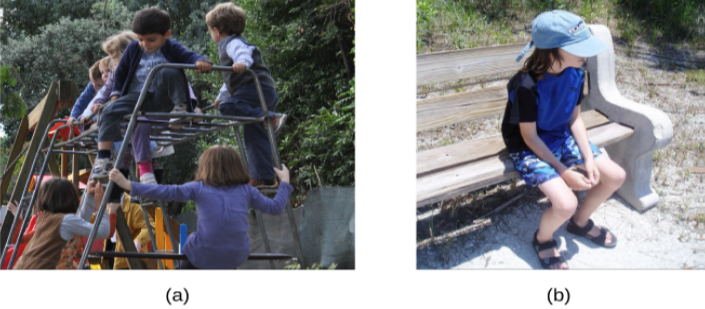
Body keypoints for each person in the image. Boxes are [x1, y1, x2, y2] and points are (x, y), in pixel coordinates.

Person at [502, 10, 626, 269]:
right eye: (578, 48)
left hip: (560, 135)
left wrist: (589, 158)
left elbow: (574, 120)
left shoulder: (575, 73)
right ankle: (542, 238)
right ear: (551, 51)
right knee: (565, 203)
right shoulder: (525, 85)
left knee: (614, 175)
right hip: (529, 147)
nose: (586, 54)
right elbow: (530, 137)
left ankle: (579, 223)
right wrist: (565, 172)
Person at [109, 145, 293, 269]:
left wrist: (130, 185)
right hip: (236, 254)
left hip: (204, 253)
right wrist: (284, 182)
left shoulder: (199, 188)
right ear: (237, 166)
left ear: (205, 167)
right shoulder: (246, 190)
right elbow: (276, 208)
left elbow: (167, 191)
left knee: (190, 254)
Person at [90, 7, 212, 185]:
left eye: (151, 40)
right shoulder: (133, 49)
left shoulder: (171, 47)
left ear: (166, 34)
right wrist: (116, 94)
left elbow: (188, 55)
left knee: (168, 71)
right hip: (137, 97)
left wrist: (200, 61)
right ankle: (103, 158)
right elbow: (121, 72)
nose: (145, 44)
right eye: (140, 39)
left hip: (161, 97)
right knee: (107, 111)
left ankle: (181, 109)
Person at [206, 3, 286, 188]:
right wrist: (221, 96)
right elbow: (230, 81)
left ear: (217, 31)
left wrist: (242, 62)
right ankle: (264, 176)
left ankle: (271, 118)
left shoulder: (233, 43)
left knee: (228, 108)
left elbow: (243, 55)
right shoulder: (227, 45)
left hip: (257, 91)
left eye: (210, 31)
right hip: (253, 93)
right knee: (254, 136)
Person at [13, 178, 110, 269]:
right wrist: (100, 205)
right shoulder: (66, 220)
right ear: (71, 198)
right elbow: (104, 232)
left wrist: (89, 196)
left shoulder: (46, 217)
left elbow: (82, 220)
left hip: (26, 266)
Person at [67, 60, 106, 127]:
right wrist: (74, 116)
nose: (94, 86)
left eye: (99, 85)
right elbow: (82, 100)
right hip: (89, 118)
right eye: (92, 82)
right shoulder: (93, 85)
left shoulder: (108, 89)